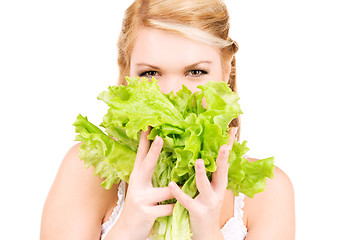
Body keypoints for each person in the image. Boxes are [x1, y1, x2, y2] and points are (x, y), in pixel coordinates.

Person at [40, 0, 295, 239]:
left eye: (196, 72)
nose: (172, 93)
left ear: (226, 70)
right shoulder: (87, 168)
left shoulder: (268, 191)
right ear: (126, 72)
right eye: (150, 73)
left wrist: (207, 231)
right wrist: (128, 228)